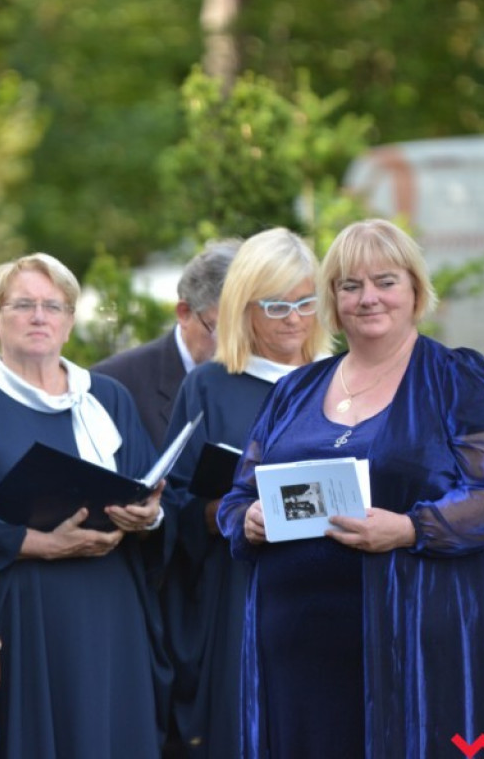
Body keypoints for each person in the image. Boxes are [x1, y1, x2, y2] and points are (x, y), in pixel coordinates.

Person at [219, 219, 484, 758]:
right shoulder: (295, 390)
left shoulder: (455, 379)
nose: (368, 298)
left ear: (416, 290)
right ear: (332, 300)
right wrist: (248, 520)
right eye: (350, 286)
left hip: (411, 640)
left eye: (385, 281)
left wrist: (409, 528)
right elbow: (238, 496)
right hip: (295, 646)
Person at [0, 253, 169, 759]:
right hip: (29, 609)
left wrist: (148, 515)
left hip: (113, 603)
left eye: (53, 306)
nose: (39, 316)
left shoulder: (106, 397)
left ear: (70, 321)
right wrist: (39, 544)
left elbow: (152, 488)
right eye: (23, 304)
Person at [159, 229, 328, 758]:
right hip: (242, 594)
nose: (294, 318)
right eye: (276, 305)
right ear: (242, 308)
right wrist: (228, 513)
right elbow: (173, 501)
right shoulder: (210, 386)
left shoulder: (340, 379)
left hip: (333, 586)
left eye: (306, 301)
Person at [93, 240, 239, 451]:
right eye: (222, 331)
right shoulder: (114, 385)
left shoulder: (273, 379)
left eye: (247, 331)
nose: (236, 346)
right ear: (184, 313)